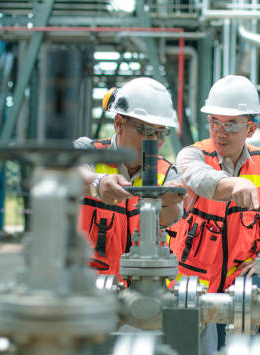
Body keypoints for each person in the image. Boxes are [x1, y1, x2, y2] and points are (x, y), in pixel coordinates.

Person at [170, 75, 260, 350]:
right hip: (192, 284)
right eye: (214, 122)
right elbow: (201, 180)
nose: (220, 132)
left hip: (242, 278)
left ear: (250, 129)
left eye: (231, 125)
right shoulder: (192, 155)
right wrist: (233, 183)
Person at [76, 77, 184, 281]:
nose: (153, 141)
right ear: (119, 123)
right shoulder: (89, 152)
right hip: (86, 292)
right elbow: (67, 170)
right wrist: (97, 183)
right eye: (145, 130)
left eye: (160, 132)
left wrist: (165, 203)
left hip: (141, 293)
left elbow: (170, 219)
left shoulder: (168, 174)